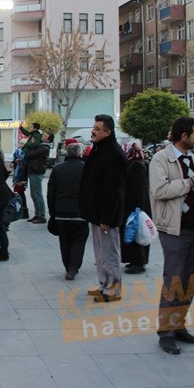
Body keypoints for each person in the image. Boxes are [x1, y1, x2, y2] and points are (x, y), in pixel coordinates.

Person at [149, 116, 194, 354]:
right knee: (174, 281)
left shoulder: (192, 158)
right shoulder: (160, 159)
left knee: (189, 281)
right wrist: (189, 182)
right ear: (183, 136)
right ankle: (165, 332)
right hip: (175, 230)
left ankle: (179, 326)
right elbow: (159, 191)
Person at [78, 114, 127, 302]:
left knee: (109, 252)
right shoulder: (100, 150)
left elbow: (112, 189)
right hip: (96, 212)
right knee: (100, 252)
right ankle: (103, 284)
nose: (93, 131)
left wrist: (107, 217)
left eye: (98, 129)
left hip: (106, 214)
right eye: (94, 127)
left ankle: (113, 289)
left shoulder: (113, 154)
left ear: (108, 132)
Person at [47, 142, 89, 280]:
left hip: (61, 212)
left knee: (64, 241)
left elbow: (51, 192)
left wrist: (52, 211)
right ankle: (73, 267)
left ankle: (68, 266)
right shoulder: (86, 169)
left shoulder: (58, 169)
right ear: (79, 153)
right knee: (79, 241)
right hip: (80, 213)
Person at [121, 143, 151, 275]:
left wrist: (138, 209)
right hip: (133, 206)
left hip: (135, 207)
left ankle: (139, 262)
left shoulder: (136, 166)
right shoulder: (133, 164)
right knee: (132, 235)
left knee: (137, 235)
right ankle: (134, 261)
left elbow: (139, 190)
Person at [26, 131, 51, 224]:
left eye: (45, 135)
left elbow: (30, 154)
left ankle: (42, 215)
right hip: (34, 171)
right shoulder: (40, 146)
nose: (42, 136)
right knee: (34, 194)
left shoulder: (44, 147)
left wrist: (32, 144)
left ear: (48, 139)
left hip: (37, 171)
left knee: (37, 194)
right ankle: (37, 214)